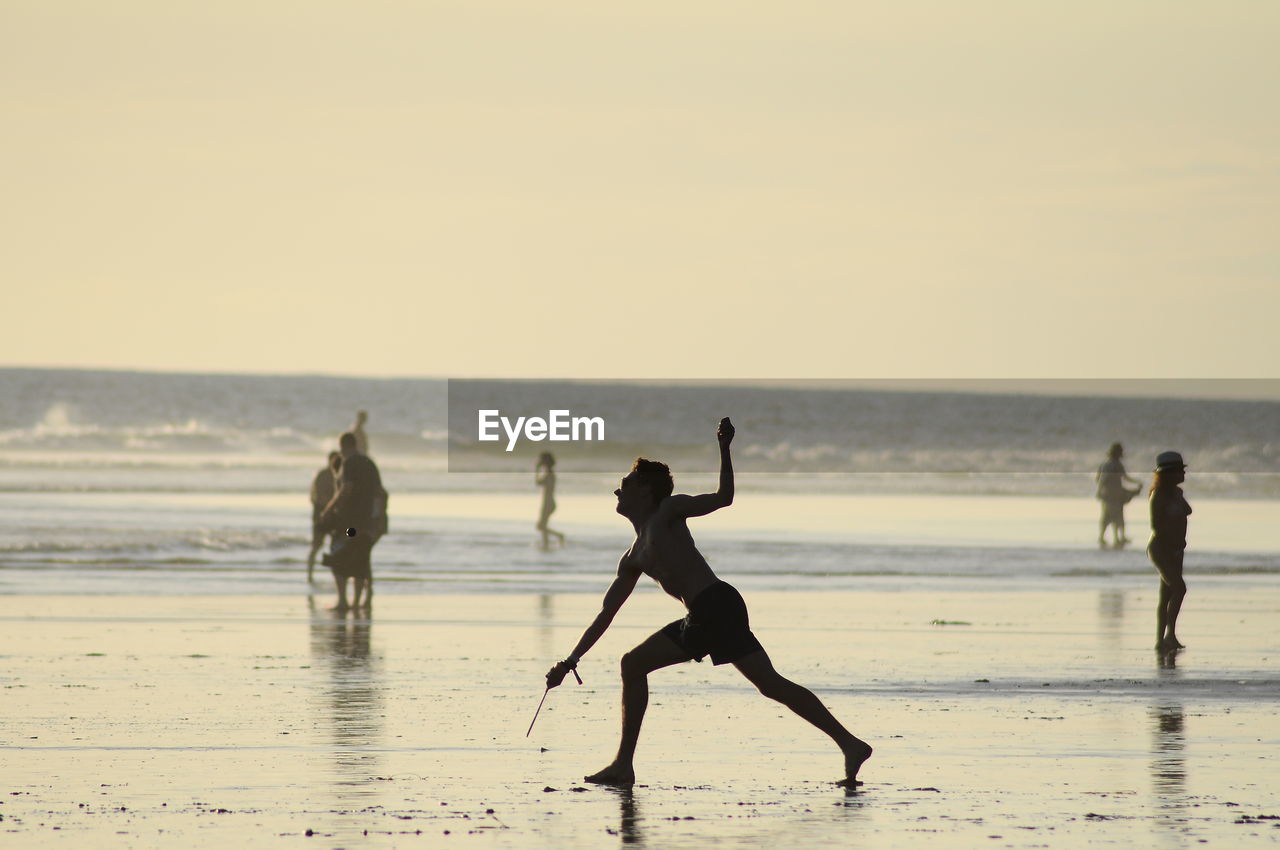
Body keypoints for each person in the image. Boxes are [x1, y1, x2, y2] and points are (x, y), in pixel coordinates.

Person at [544, 417, 872, 787]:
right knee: (769, 683)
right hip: (710, 610)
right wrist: (570, 661)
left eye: (625, 486)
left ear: (646, 493)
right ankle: (851, 744)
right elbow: (606, 614)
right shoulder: (633, 557)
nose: (616, 492)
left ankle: (623, 765)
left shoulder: (668, 513)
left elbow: (724, 498)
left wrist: (724, 448)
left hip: (714, 605)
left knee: (634, 664)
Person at [320, 431, 387, 612]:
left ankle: (343, 601)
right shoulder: (369, 463)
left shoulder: (348, 463)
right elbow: (381, 492)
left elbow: (345, 490)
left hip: (349, 524)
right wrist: (379, 517)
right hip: (366, 523)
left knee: (337, 553)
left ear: (342, 445)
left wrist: (329, 508)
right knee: (361, 558)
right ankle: (357, 602)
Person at [1148, 451, 1192, 652]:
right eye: (1179, 471)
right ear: (1167, 473)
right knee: (1179, 588)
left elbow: (1188, 510)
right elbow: (1156, 525)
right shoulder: (1158, 495)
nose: (1182, 474)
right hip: (1161, 548)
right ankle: (1164, 637)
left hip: (1176, 549)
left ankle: (1167, 637)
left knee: (1166, 594)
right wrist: (1172, 542)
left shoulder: (1176, 493)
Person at [1096, 442, 1143, 548]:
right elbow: (1125, 478)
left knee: (1106, 516)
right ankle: (1119, 537)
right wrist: (1137, 482)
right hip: (1115, 494)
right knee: (1118, 516)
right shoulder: (1117, 465)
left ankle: (1103, 537)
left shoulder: (1103, 465)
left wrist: (1100, 491)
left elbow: (1098, 479)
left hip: (1105, 494)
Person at [307, 451, 343, 582]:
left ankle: (337, 575)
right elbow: (315, 496)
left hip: (330, 514)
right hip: (323, 513)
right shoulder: (324, 475)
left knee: (334, 545)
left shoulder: (337, 475)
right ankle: (310, 575)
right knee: (317, 545)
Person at [535, 451, 566, 549]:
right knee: (543, 526)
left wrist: (537, 470)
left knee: (541, 526)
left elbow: (538, 483)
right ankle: (545, 544)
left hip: (548, 503)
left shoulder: (549, 474)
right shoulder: (550, 474)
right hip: (548, 502)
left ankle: (559, 536)